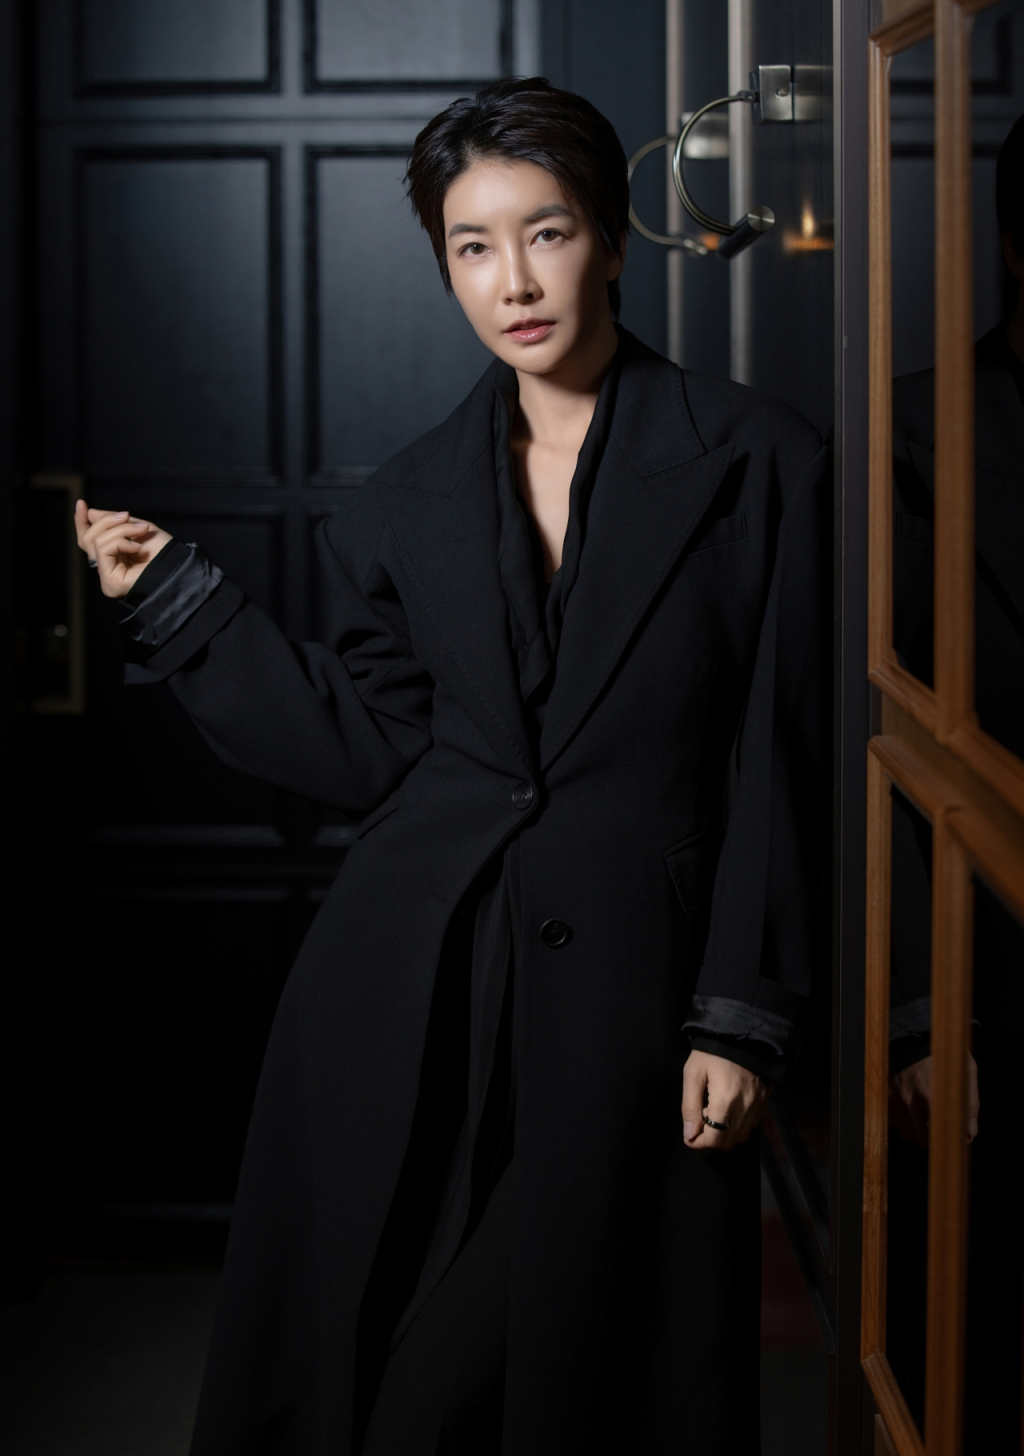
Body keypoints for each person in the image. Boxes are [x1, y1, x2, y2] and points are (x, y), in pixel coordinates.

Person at [76, 78, 830, 1455]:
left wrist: (741, 1011)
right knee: (369, 1379)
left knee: (542, 1388)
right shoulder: (404, 502)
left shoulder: (756, 463)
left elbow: (789, 747)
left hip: (637, 1010)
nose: (513, 282)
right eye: (472, 246)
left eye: (546, 233)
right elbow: (376, 750)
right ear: (443, 265)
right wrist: (183, 607)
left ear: (610, 238)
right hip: (409, 988)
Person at [888, 112, 1024, 1449]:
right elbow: (874, 745)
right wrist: (924, 1016)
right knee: (973, 1344)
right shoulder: (916, 430)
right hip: (991, 967)